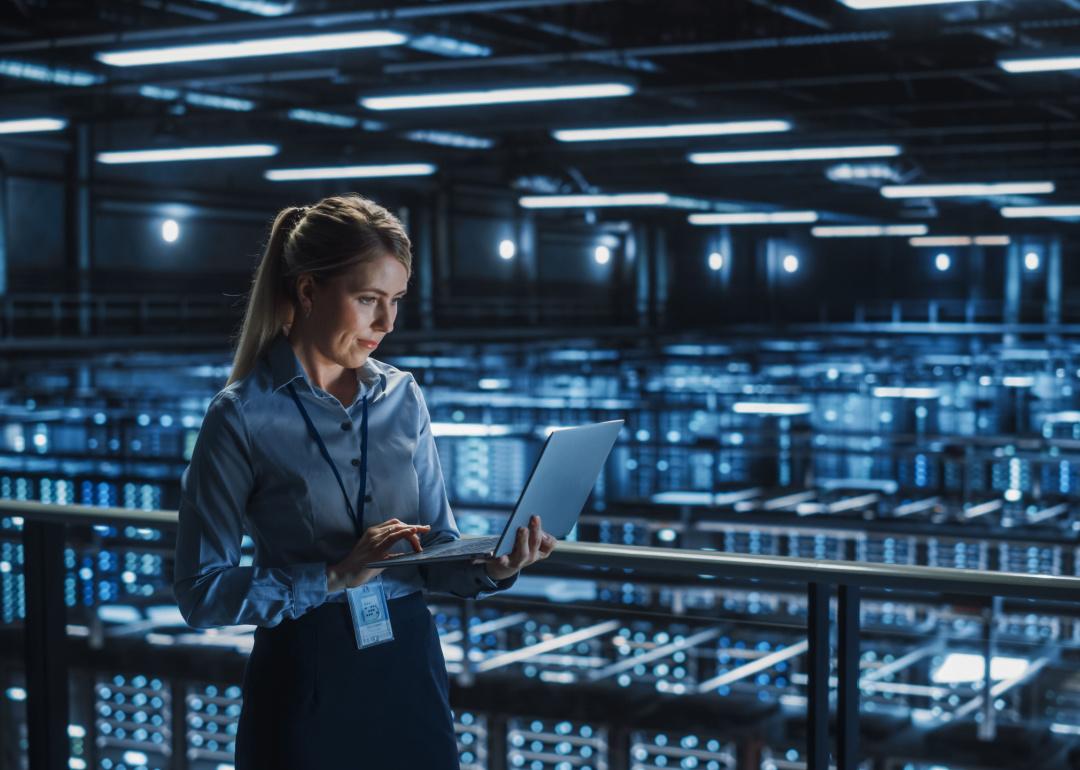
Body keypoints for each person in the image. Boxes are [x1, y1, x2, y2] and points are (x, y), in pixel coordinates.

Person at [172, 193, 556, 769]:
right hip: (306, 674)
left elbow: (436, 545)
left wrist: (494, 566)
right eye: (368, 299)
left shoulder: (404, 396)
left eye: (395, 300)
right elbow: (201, 591)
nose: (387, 323)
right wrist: (331, 577)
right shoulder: (241, 415)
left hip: (408, 666)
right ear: (307, 291)